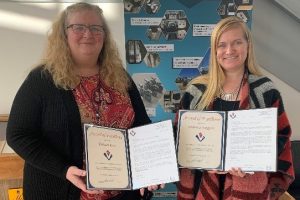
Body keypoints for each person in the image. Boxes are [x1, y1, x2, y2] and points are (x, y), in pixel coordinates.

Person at [6, 2, 162, 200]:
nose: (88, 34)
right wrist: (64, 170)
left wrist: (151, 169)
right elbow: (18, 135)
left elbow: (141, 127)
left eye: (96, 28)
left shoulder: (120, 77)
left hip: (122, 194)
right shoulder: (42, 79)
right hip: (61, 191)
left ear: (104, 35)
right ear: (64, 34)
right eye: (78, 27)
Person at [177, 16, 294, 200]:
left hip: (250, 187)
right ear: (214, 50)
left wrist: (252, 160)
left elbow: (282, 137)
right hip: (202, 187)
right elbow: (180, 138)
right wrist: (203, 161)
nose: (229, 50)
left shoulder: (265, 90)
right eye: (221, 44)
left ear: (247, 46)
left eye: (237, 42)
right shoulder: (196, 90)